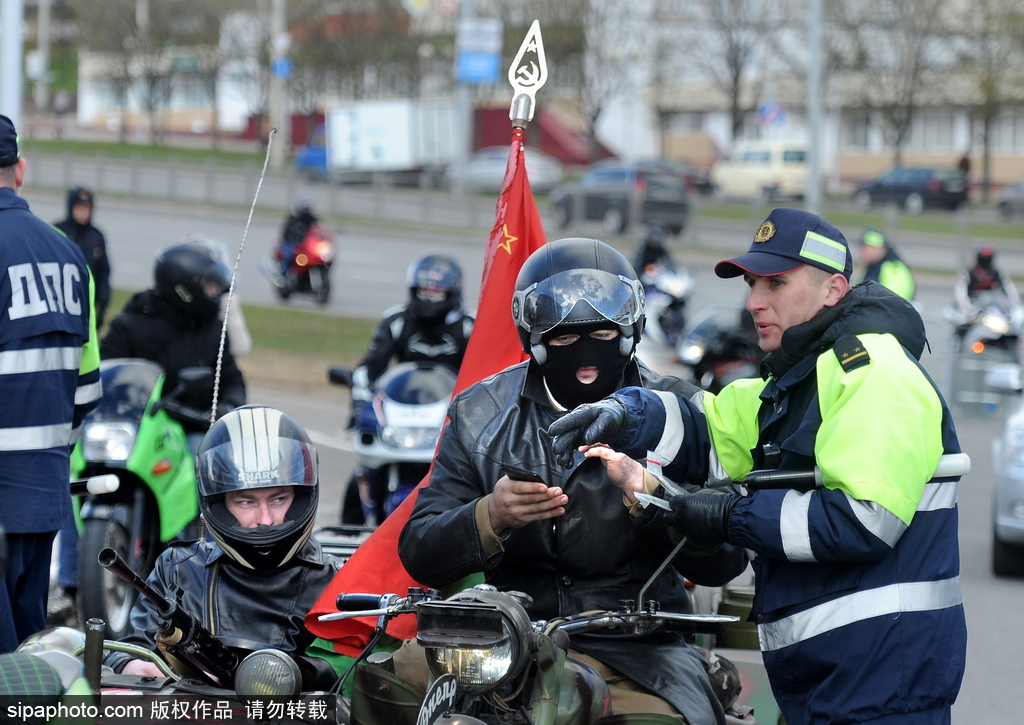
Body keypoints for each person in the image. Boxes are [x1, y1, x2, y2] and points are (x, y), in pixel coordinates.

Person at [548, 208, 967, 725]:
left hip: (880, 683)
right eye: (752, 284)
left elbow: (861, 521)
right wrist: (629, 412)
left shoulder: (871, 372)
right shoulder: (805, 375)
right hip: (842, 676)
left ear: (833, 289)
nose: (753, 302)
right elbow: (711, 429)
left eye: (776, 283)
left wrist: (726, 517)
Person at [397, 238, 749, 724]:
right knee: (383, 689)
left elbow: (726, 560)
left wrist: (653, 497)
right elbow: (419, 551)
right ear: (534, 339)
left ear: (629, 332)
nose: (585, 355)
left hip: (638, 652)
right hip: (499, 644)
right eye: (563, 339)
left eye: (602, 334)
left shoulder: (683, 411)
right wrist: (491, 515)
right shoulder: (480, 414)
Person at [103, 405, 341, 684]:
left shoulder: (334, 582)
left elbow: (353, 678)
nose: (266, 520)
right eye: (246, 502)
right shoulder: (179, 569)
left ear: (300, 496)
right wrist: (134, 666)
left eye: (279, 499)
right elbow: (130, 650)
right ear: (220, 504)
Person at [0, 114, 102, 652]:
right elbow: (86, 390)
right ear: (20, 170)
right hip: (43, 493)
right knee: (27, 659)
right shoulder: (70, 256)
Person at [342, 252, 474, 524]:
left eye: (436, 292)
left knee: (480, 483)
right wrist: (359, 406)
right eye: (424, 291)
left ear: (452, 291)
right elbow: (368, 370)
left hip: (451, 418)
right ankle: (349, 539)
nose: (429, 298)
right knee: (361, 479)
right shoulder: (396, 320)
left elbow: (488, 375)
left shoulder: (470, 326)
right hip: (402, 414)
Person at [100, 238, 247, 439]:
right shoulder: (129, 327)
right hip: (135, 431)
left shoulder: (213, 329)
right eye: (210, 286)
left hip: (191, 429)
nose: (216, 293)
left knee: (203, 456)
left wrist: (227, 406)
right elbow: (105, 377)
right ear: (183, 289)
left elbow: (232, 380)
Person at [54, 186, 111, 329]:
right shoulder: (57, 232)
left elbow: (103, 273)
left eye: (87, 208)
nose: (84, 212)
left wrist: (102, 306)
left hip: (87, 304)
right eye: (80, 208)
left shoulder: (96, 237)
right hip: (60, 303)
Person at [856, 228, 915, 301]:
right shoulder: (874, 266)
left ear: (877, 249)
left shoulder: (891, 267)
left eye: (865, 248)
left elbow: (892, 298)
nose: (861, 251)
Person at [278, 195, 318, 277]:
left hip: (306, 244)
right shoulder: (294, 218)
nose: (305, 211)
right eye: (304, 208)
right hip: (292, 242)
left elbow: (318, 229)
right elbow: (287, 232)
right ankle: (283, 276)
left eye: (307, 209)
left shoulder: (312, 219)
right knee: (289, 257)